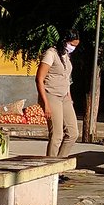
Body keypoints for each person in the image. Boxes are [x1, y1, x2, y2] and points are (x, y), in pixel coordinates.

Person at [35, 29, 80, 158]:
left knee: (73, 133)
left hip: (64, 96)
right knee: (57, 135)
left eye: (75, 46)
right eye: (72, 44)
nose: (73, 48)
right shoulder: (51, 53)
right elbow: (39, 79)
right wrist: (46, 104)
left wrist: (69, 97)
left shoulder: (66, 55)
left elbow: (66, 77)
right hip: (51, 95)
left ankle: (60, 162)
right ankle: (50, 165)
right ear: (65, 41)